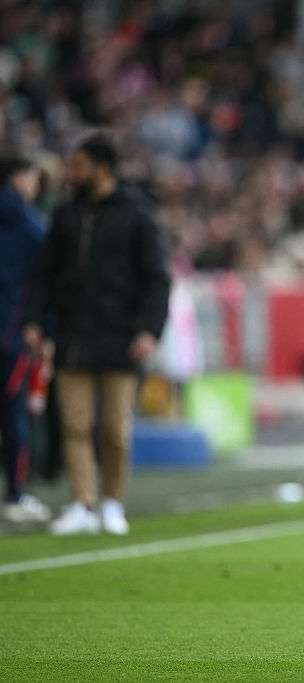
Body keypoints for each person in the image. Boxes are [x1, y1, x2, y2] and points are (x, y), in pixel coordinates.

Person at [24, 134, 170, 536]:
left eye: (78, 165)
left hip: (121, 336)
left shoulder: (137, 215)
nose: (70, 173)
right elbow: (44, 275)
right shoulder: (66, 216)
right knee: (74, 425)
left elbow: (157, 279)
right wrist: (36, 321)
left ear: (102, 168)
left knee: (114, 430)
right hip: (72, 335)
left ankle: (112, 502)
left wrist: (148, 330)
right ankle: (83, 503)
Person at [0, 153, 51, 524]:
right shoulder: (32, 227)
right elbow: (49, 283)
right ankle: (15, 495)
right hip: (12, 334)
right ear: (19, 178)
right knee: (14, 414)